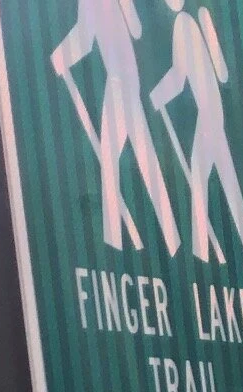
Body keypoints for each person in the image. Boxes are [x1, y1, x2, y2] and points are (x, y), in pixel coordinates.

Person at [51, 0, 182, 257]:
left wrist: (60, 56)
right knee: (141, 162)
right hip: (128, 81)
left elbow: (85, 38)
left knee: (111, 162)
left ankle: (115, 240)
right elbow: (134, 29)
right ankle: (168, 237)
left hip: (119, 84)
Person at [148, 0, 243, 266]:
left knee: (203, 179)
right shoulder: (199, 20)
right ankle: (241, 251)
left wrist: (154, 98)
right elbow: (221, 74)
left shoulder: (183, 25)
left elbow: (178, 76)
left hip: (208, 115)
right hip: (212, 112)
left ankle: (204, 254)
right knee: (218, 179)